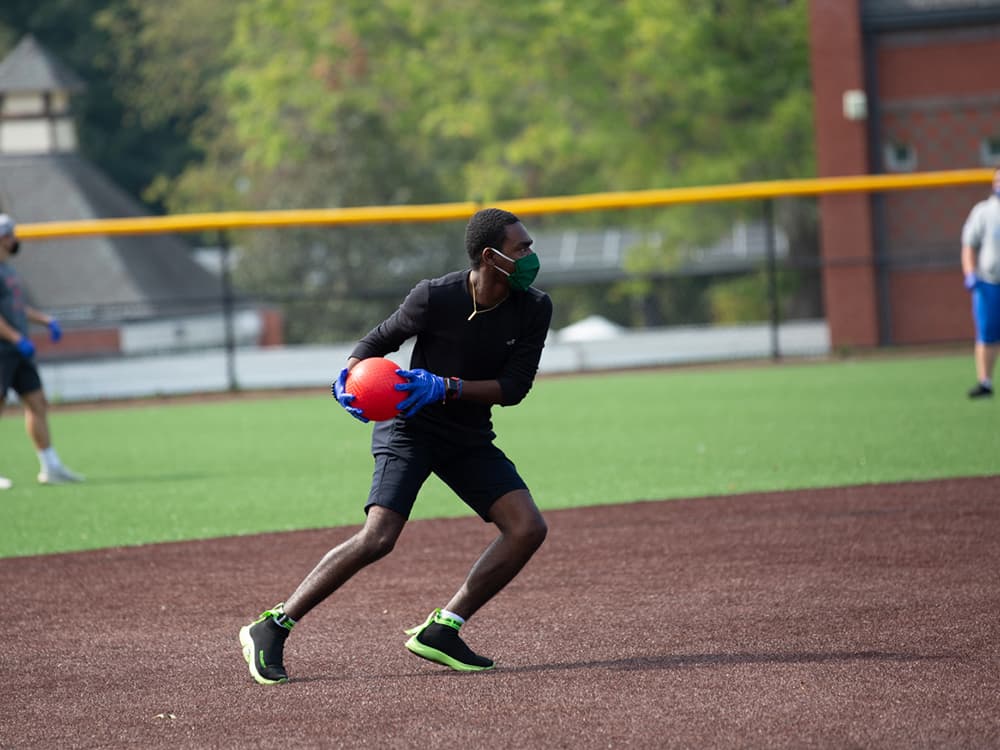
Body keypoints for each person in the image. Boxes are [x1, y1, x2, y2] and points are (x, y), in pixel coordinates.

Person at [239, 207, 552, 684]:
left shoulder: (534, 307)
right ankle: (272, 626)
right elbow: (374, 343)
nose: (531, 255)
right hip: (410, 428)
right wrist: (346, 380)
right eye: (522, 248)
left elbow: (514, 388)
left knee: (527, 527)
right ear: (491, 257)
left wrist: (445, 387)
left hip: (466, 434)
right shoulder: (435, 296)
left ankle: (442, 630)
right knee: (378, 537)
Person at [0, 214, 84, 488]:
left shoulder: (9, 270)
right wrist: (15, 338)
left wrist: (46, 321)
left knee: (37, 403)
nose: (14, 239)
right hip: (3, 349)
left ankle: (50, 466)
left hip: (18, 349)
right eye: (10, 234)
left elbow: (16, 308)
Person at [961, 167, 1000, 399]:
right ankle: (985, 382)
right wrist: (970, 273)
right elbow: (969, 244)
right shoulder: (984, 211)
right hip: (989, 282)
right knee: (987, 334)